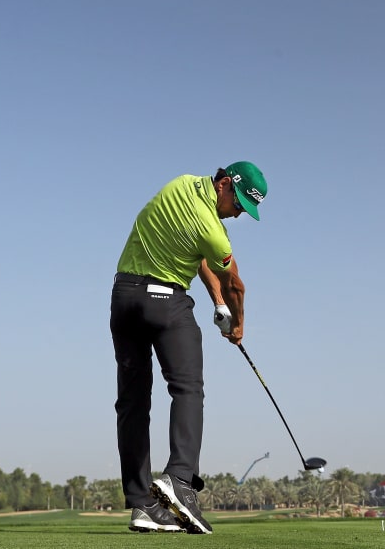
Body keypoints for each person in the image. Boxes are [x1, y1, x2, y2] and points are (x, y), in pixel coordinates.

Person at [110, 161, 267, 534]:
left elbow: (196, 253)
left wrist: (217, 303)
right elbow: (236, 285)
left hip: (123, 298)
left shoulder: (180, 185)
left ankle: (143, 505)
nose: (238, 213)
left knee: (132, 402)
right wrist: (237, 325)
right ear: (224, 183)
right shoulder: (216, 233)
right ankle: (180, 479)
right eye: (239, 203)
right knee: (187, 388)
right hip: (166, 302)